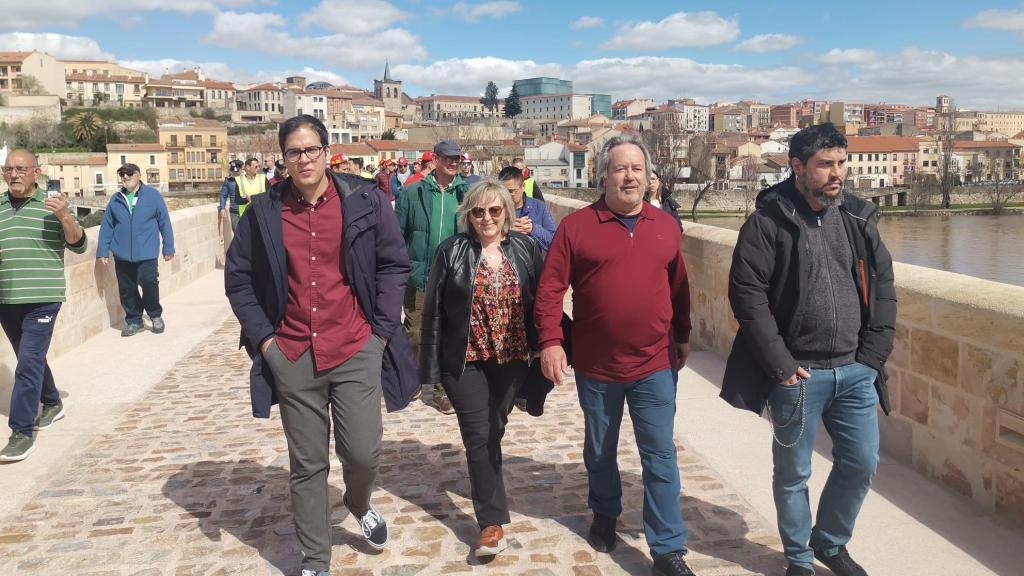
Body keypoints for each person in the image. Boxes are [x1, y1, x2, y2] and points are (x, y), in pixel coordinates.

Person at [225, 115, 418, 576]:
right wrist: (267, 342)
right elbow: (239, 280)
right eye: (294, 152)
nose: (305, 159)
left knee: (363, 452)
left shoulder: (366, 200)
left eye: (312, 149)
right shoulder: (263, 213)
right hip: (292, 355)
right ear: (284, 159)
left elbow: (394, 266)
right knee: (307, 465)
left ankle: (357, 500)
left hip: (355, 347)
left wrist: (380, 333)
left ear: (328, 151)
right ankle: (315, 560)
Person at [721, 123, 896, 576]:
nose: (836, 173)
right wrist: (780, 365)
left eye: (841, 163)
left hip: (855, 372)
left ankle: (830, 542)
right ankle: (799, 559)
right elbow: (747, 296)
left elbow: (884, 288)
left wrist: (872, 358)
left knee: (860, 463)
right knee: (794, 474)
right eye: (825, 165)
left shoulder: (857, 218)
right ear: (798, 166)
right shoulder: (768, 222)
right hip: (798, 376)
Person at [534, 135, 695, 576]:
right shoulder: (577, 227)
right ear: (604, 174)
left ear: (648, 177)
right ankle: (605, 511)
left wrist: (682, 334)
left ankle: (667, 549)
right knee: (601, 450)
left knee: (660, 454)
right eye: (620, 168)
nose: (629, 176)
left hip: (655, 363)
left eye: (637, 169)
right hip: (597, 365)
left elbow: (679, 289)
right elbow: (550, 289)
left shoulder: (666, 226)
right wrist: (550, 341)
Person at [420, 179, 544, 557]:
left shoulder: (526, 248)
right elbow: (434, 314)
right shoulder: (452, 251)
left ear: (507, 211)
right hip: (465, 359)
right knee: (479, 436)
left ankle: (488, 485)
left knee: (494, 430)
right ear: (468, 215)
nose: (486, 218)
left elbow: (542, 300)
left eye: (494, 210)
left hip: (511, 360)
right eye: (478, 211)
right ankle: (491, 523)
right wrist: (431, 373)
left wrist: (548, 349)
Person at [0, 149, 87, 462]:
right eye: (8, 169)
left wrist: (64, 216)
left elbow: (79, 244)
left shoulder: (54, 204)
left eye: (21, 169)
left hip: (43, 299)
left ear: (36, 172)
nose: (14, 174)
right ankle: (52, 401)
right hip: (7, 299)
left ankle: (21, 432)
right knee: (31, 359)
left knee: (26, 363)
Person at [394, 141, 468, 414]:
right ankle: (411, 376)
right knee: (414, 332)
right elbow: (397, 236)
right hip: (419, 274)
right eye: (447, 158)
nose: (453, 162)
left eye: (456, 158)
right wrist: (399, 270)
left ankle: (440, 389)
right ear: (435, 159)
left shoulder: (466, 194)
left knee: (447, 334)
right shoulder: (412, 194)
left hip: (453, 277)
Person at [96, 163, 176, 337]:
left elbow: (164, 222)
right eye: (122, 174)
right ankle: (134, 321)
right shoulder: (116, 199)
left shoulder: (153, 196)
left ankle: (155, 315)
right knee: (127, 288)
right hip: (122, 254)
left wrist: (168, 246)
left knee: (149, 284)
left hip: (146, 252)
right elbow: (107, 226)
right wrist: (103, 250)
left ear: (138, 175)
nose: (125, 177)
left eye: (129, 173)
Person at [498, 166, 556, 251]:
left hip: (532, 262)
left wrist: (533, 228)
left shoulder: (538, 207)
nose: (506, 195)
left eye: (511, 191)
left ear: (523, 186)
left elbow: (554, 241)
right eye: (503, 191)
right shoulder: (493, 210)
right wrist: (505, 231)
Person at [218, 159, 245, 230]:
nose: (233, 173)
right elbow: (223, 195)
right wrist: (222, 208)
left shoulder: (248, 179)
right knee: (237, 234)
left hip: (247, 211)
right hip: (235, 212)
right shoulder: (228, 181)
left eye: (236, 171)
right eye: (232, 171)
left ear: (241, 169)